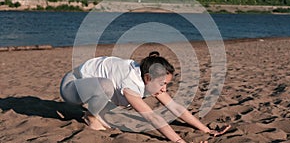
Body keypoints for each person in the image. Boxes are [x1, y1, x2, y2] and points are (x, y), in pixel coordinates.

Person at [60, 51, 230, 143]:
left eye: (166, 84)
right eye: (163, 83)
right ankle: (90, 117)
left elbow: (176, 108)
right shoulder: (131, 85)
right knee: (106, 86)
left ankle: (95, 110)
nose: (164, 88)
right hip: (72, 86)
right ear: (148, 78)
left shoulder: (148, 76)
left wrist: (206, 130)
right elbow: (153, 118)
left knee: (107, 88)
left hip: (90, 86)